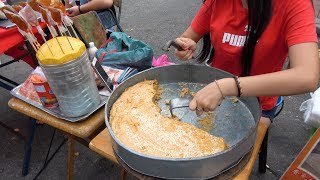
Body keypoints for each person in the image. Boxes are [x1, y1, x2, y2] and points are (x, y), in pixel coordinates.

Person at [174, 0, 319, 128]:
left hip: (259, 103)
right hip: (213, 95)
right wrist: (184, 46)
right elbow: (187, 37)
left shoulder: (294, 4)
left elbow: (307, 76)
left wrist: (227, 87)